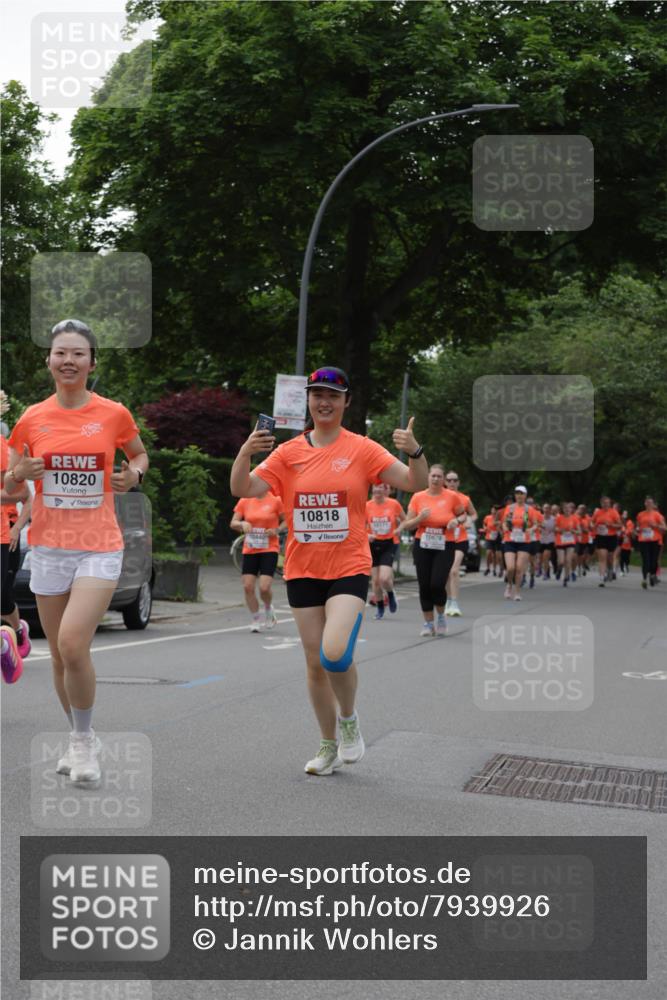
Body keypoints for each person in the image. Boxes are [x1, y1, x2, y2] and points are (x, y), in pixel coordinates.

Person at [230, 366, 427, 776]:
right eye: (317, 394)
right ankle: (327, 745)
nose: (324, 402)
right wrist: (246, 451)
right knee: (314, 663)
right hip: (302, 568)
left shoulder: (363, 448)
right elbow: (242, 489)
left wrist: (416, 451)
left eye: (333, 396)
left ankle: (350, 719)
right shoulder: (287, 453)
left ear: (346, 402)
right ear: (308, 400)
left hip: (349, 566)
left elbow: (413, 482)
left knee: (334, 653)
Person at [5, 319, 148, 785]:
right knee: (63, 658)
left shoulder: (113, 414)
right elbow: (8, 489)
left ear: (91, 363)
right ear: (48, 360)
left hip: (99, 546)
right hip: (48, 546)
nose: (68, 360)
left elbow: (139, 455)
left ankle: (84, 745)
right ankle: (77, 736)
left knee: (71, 642)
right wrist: (17, 473)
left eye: (78, 354)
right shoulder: (32, 418)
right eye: (60, 352)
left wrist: (135, 476)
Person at [401, 465, 465, 637]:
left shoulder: (451, 496)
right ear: (428, 477)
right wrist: (419, 518)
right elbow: (407, 525)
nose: (436, 479)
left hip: (445, 544)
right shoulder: (418, 497)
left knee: (437, 583)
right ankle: (429, 623)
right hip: (423, 544)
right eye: (433, 476)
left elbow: (463, 515)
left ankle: (441, 617)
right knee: (424, 585)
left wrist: (456, 521)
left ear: (443, 479)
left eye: (439, 476)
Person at [230, 490, 286, 631]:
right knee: (248, 587)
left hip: (269, 549)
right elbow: (233, 522)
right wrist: (242, 524)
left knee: (264, 587)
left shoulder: (275, 500)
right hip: (250, 549)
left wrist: (277, 530)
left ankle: (268, 609)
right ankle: (255, 619)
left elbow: (287, 520)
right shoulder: (245, 500)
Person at [1, 433, 32, 663]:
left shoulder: (5, 449)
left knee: (3, 595)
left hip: (6, 531)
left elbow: (24, 496)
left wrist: (17, 528)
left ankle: (16, 633)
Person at [365, 483, 405, 618]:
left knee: (385, 578)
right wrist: (367, 535)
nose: (377, 489)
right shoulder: (367, 506)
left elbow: (405, 520)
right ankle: (380, 607)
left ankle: (390, 593)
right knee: (375, 581)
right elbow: (358, 525)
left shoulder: (394, 504)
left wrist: (399, 529)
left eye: (380, 487)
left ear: (385, 490)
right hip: (373, 544)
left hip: (389, 543)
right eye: (375, 487)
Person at [442, 470, 476, 616]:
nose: (452, 483)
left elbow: (474, 514)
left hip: (460, 539)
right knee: (445, 573)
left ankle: (454, 602)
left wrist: (469, 520)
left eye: (455, 480)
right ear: (445, 482)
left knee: (454, 570)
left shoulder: (464, 499)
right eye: (449, 480)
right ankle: (448, 600)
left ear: (458, 482)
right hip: (443, 540)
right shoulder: (440, 498)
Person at [500, 486, 541, 600]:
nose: (519, 495)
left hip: (524, 541)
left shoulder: (529, 510)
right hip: (510, 540)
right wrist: (504, 528)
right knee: (510, 568)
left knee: (519, 568)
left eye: (521, 493)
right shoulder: (509, 508)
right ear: (515, 495)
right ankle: (509, 585)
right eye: (517, 493)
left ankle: (517, 592)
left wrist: (531, 529)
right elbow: (504, 522)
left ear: (525, 495)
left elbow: (536, 524)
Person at [591, 495, 623, 586]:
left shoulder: (614, 512)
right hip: (600, 537)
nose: (606, 504)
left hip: (611, 537)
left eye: (607, 503)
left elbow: (620, 525)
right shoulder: (597, 513)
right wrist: (593, 526)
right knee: (602, 557)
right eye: (604, 503)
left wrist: (611, 525)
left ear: (610, 503)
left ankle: (610, 569)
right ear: (601, 503)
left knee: (610, 557)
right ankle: (602, 577)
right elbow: (592, 522)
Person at [634, 497, 666, 589]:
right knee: (645, 560)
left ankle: (652, 575)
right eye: (647, 502)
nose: (649, 504)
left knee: (654, 561)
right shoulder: (640, 515)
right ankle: (644, 579)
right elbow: (637, 527)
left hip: (655, 540)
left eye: (650, 503)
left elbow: (665, 528)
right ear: (645, 504)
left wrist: (655, 525)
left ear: (653, 504)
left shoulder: (658, 515)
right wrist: (638, 529)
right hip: (643, 540)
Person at [554, 501, 579, 586]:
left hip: (570, 541)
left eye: (569, 508)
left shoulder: (575, 518)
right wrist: (560, 530)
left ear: (571, 509)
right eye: (565, 508)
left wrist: (574, 531)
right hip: (560, 541)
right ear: (563, 509)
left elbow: (579, 531)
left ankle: (566, 577)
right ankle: (559, 570)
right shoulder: (559, 518)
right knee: (561, 561)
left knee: (568, 560)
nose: (567, 510)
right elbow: (555, 529)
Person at [482, 505, 501, 576]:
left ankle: (494, 569)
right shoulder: (487, 517)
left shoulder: (499, 519)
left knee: (494, 555)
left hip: (496, 538)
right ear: (491, 510)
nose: (494, 511)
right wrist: (485, 528)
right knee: (488, 553)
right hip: (488, 537)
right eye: (493, 509)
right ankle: (487, 568)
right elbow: (484, 524)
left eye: (496, 510)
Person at [539, 502, 555, 580]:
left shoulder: (553, 519)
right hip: (541, 540)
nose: (546, 510)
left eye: (548, 508)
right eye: (545, 508)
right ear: (543, 509)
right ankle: (546, 571)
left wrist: (553, 530)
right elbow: (536, 527)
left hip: (550, 540)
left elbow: (556, 528)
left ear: (550, 510)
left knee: (546, 557)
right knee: (541, 559)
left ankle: (545, 573)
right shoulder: (540, 518)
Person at [574, 504, 591, 577]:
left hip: (585, 539)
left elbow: (589, 529)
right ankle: (577, 568)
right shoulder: (574, 517)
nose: (581, 510)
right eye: (580, 509)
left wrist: (584, 529)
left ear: (585, 510)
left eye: (583, 509)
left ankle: (580, 566)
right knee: (576, 554)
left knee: (581, 555)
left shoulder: (588, 518)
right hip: (576, 539)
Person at [619, 510, 634, 576]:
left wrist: (624, 532)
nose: (625, 516)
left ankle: (626, 565)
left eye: (626, 514)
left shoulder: (630, 522)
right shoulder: (619, 523)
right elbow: (618, 532)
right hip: (621, 543)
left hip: (628, 543)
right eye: (624, 514)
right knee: (622, 557)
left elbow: (630, 531)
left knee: (627, 558)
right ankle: (621, 570)